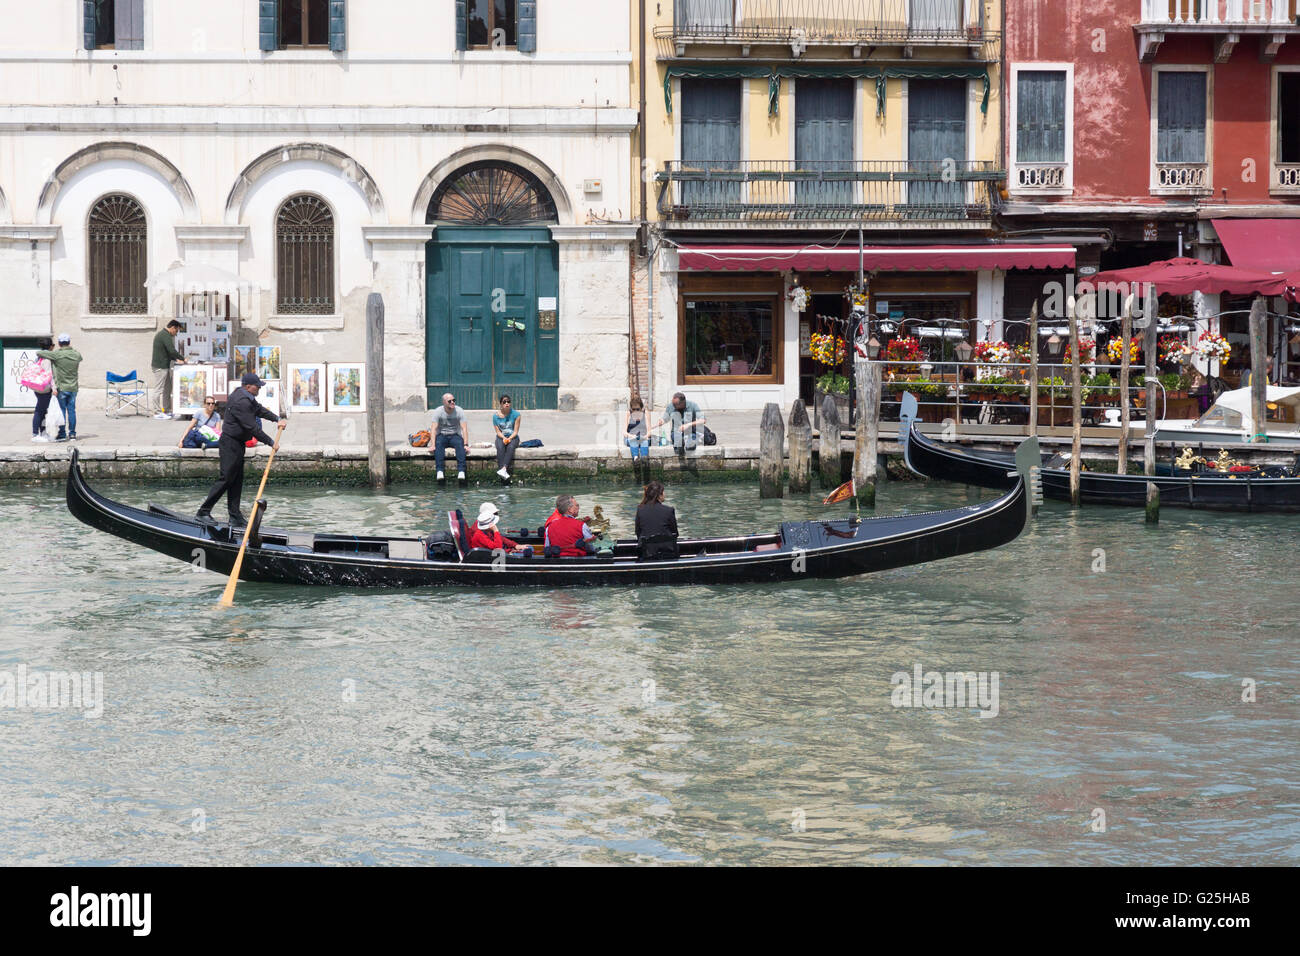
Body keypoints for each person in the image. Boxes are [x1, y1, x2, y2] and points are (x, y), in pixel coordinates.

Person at [196, 372, 286, 525]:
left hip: (237, 443)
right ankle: (203, 512)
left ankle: (235, 516)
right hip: (230, 443)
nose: (259, 389)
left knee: (237, 480)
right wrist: (271, 442)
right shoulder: (241, 401)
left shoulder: (243, 396)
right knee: (226, 478)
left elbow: (259, 410)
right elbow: (252, 427)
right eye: (257, 386)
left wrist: (277, 418)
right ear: (248, 386)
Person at [36, 333, 83, 441]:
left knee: (61, 410)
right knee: (72, 411)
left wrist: (49, 349)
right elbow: (80, 358)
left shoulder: (56, 354)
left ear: (59, 343)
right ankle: (72, 434)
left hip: (61, 387)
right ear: (69, 342)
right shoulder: (76, 354)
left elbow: (39, 352)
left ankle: (62, 434)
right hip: (73, 387)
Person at [151, 318, 187, 419]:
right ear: (172, 328)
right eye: (176, 331)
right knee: (158, 389)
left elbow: (167, 352)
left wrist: (176, 359)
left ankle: (166, 410)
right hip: (160, 367)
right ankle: (157, 412)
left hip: (164, 366)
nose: (176, 333)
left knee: (167, 388)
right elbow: (171, 350)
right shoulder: (164, 335)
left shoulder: (165, 335)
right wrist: (183, 358)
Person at [432, 392, 468, 486]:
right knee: (438, 445)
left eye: (454, 400)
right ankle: (439, 471)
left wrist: (466, 444)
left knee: (460, 445)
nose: (452, 402)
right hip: (442, 435)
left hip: (454, 435)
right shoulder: (438, 411)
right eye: (450, 401)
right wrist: (432, 444)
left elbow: (464, 428)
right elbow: (433, 429)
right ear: (444, 402)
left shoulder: (459, 411)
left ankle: (461, 471)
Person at [28, 337, 55, 443]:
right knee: (40, 411)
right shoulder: (47, 359)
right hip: (44, 389)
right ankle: (35, 434)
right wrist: (54, 388)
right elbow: (50, 375)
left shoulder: (38, 357)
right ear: (50, 346)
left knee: (42, 411)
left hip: (38, 387)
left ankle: (43, 433)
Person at [492, 394, 521, 481]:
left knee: (511, 447)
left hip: (513, 437)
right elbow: (497, 432)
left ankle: (504, 469)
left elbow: (515, 431)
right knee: (500, 448)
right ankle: (503, 472)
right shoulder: (495, 416)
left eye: (508, 401)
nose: (507, 403)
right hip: (501, 437)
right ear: (501, 404)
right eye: (504, 402)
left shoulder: (516, 415)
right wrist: (504, 438)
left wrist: (509, 438)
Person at [625, 395, 650, 460]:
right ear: (631, 409)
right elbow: (624, 432)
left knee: (644, 441)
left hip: (643, 437)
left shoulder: (645, 413)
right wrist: (632, 436)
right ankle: (636, 458)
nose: (635, 411)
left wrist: (644, 437)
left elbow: (649, 431)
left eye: (637, 409)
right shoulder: (629, 414)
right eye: (633, 409)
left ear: (641, 408)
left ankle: (644, 458)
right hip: (631, 437)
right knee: (633, 440)